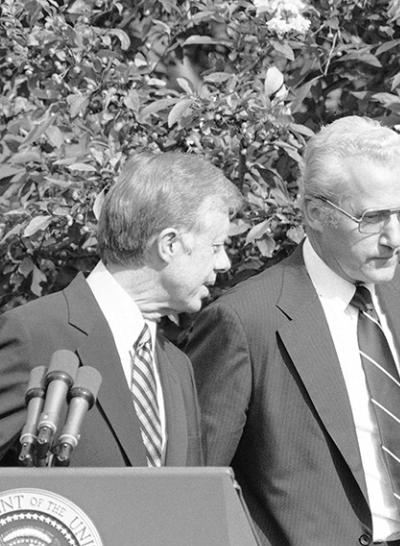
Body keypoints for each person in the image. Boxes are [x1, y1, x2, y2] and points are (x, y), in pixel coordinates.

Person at [185, 116, 400, 546]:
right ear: (315, 214)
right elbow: (197, 490)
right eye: (373, 218)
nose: (395, 238)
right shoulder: (244, 321)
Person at [0, 151, 241, 468]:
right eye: (216, 246)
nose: (224, 263)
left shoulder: (177, 366)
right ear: (169, 245)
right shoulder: (32, 336)